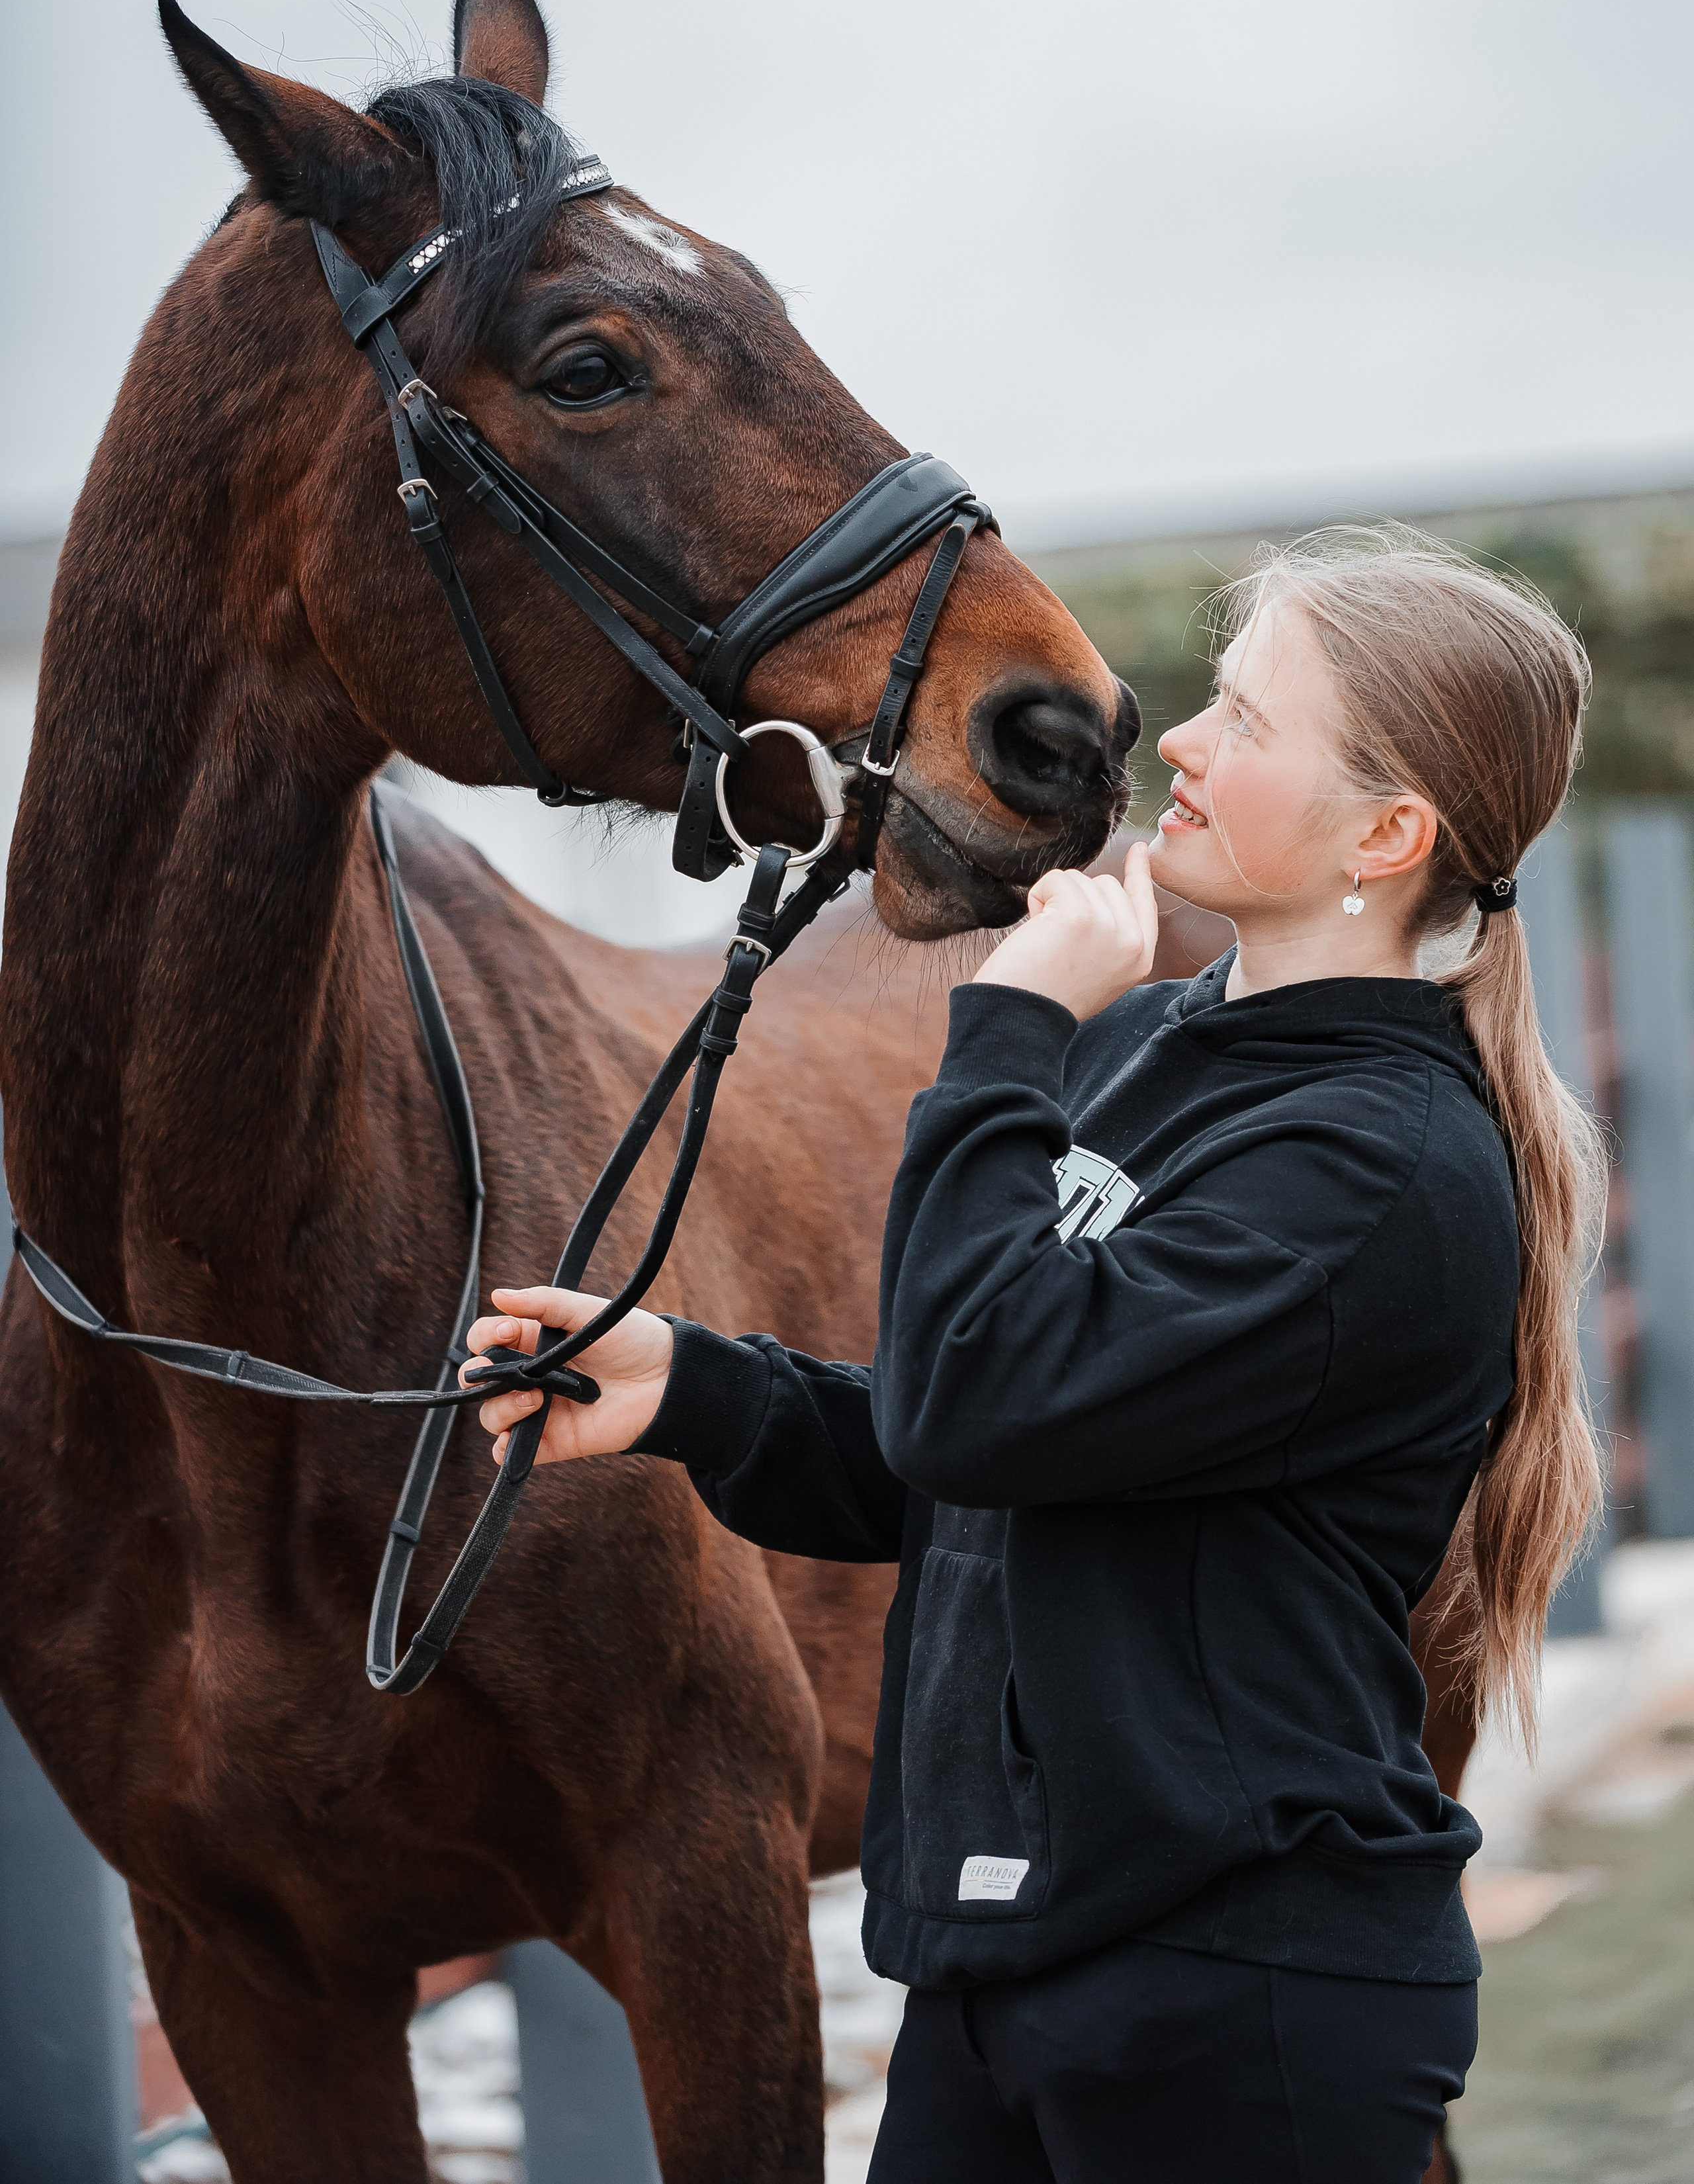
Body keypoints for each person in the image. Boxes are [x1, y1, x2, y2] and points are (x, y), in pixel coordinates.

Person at [461, 529, 1604, 2184]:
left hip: (1233, 1992)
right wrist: (695, 1389)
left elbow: (984, 1400)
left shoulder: (1377, 1169)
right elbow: (991, 1454)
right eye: (1212, 699)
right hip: (1006, 1966)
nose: (1181, 743)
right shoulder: (1151, 1046)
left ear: (1387, 833)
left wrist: (1004, 1029)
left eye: (1249, 723)